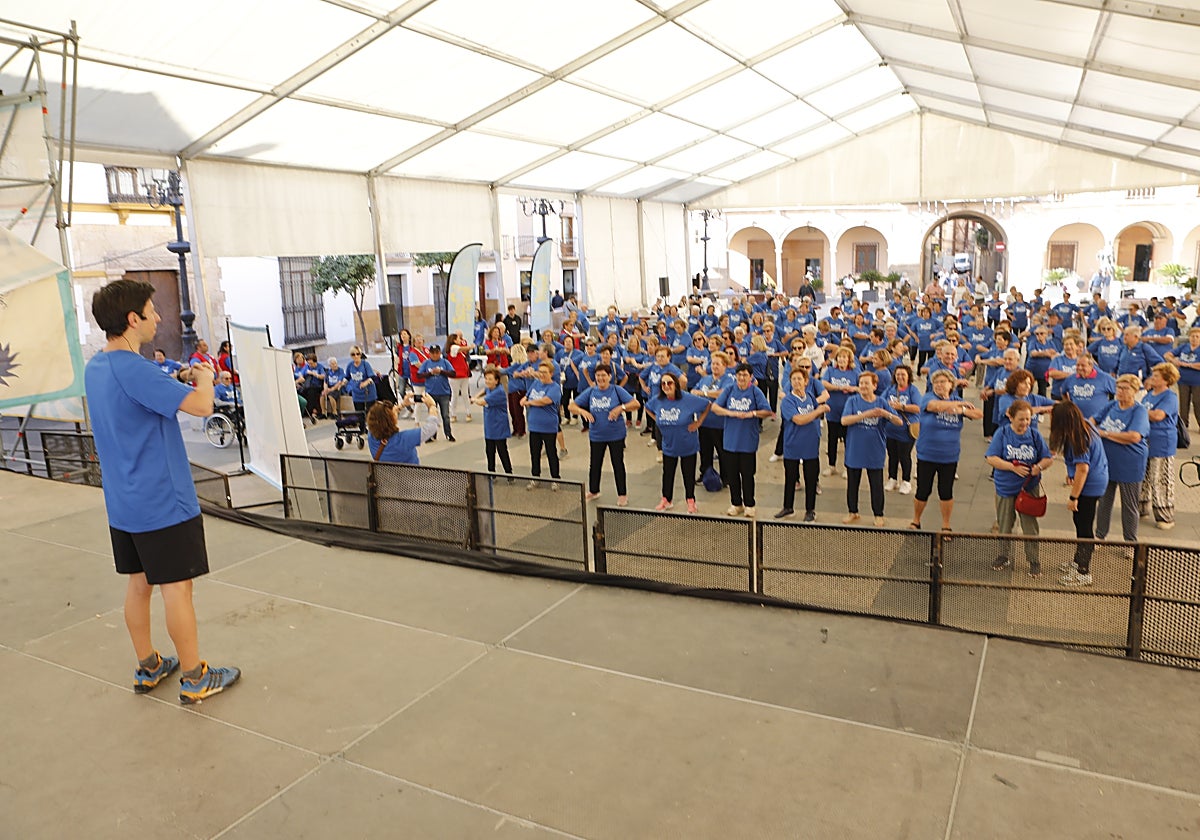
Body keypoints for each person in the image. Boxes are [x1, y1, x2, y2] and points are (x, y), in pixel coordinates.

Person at [84, 278, 240, 704]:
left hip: (124, 502)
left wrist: (181, 374)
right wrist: (205, 377)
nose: (159, 317)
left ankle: (149, 665)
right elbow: (202, 406)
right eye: (152, 311)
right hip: (163, 502)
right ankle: (194, 678)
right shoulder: (135, 370)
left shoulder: (98, 366)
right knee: (177, 588)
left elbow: (145, 388)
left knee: (139, 584)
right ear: (134, 319)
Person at [985, 400, 1054, 576]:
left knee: (1030, 526)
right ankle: (1003, 555)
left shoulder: (1034, 435)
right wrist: (1011, 467)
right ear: (1011, 418)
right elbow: (991, 457)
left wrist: (1039, 466)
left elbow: (1047, 458)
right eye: (1021, 419)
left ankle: (1033, 560)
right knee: (1005, 523)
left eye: (1028, 419)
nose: (1025, 423)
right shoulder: (1002, 433)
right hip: (1005, 487)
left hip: (1028, 488)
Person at [909, 369, 983, 531]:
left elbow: (978, 413)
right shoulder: (929, 397)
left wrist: (961, 410)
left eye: (943, 382)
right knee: (923, 490)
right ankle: (916, 520)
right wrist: (956, 405)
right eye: (936, 382)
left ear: (951, 385)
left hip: (949, 456)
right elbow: (934, 406)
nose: (939, 385)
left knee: (946, 491)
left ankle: (946, 524)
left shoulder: (958, 401)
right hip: (927, 454)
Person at [1049, 400, 1109, 587]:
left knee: (1084, 528)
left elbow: (1083, 469)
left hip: (1090, 487)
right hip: (1094, 481)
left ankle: (1084, 571)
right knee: (1080, 523)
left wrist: (1073, 497)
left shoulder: (1079, 438)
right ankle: (1078, 561)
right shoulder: (1084, 425)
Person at [1093, 374, 1150, 550]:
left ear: (1134, 391)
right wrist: (1095, 429)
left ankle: (1130, 543)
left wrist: (1106, 434)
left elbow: (1134, 436)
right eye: (1119, 388)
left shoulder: (1138, 411)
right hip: (1107, 463)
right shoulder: (1111, 405)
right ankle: (1099, 537)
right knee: (1104, 502)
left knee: (1129, 506)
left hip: (1130, 464)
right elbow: (1092, 421)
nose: (1121, 392)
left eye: (1125, 388)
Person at [841, 369, 904, 526]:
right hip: (855, 449)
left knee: (876, 484)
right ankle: (852, 511)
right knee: (852, 483)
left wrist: (885, 413)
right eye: (861, 383)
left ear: (874, 386)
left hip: (875, 450)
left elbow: (899, 422)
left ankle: (878, 514)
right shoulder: (852, 401)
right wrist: (865, 415)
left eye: (866, 383)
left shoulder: (881, 402)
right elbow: (844, 421)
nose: (863, 386)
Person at [570, 363, 638, 505]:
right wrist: (583, 411)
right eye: (598, 375)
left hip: (615, 434)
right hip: (596, 434)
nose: (600, 378)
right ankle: (594, 490)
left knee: (617, 463)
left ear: (609, 377)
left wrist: (621, 408)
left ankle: (622, 494)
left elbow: (635, 404)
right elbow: (572, 406)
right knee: (595, 463)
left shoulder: (616, 390)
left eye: (603, 375)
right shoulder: (591, 391)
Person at [713, 363, 774, 517]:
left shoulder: (755, 391)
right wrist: (730, 413)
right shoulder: (729, 390)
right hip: (730, 441)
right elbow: (715, 407)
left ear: (750, 377)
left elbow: (767, 411)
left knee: (747, 474)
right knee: (732, 475)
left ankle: (749, 504)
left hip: (747, 441)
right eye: (739, 375)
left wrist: (752, 414)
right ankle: (736, 503)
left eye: (745, 375)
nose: (741, 378)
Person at [647, 372, 710, 513]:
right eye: (663, 384)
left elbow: (707, 405)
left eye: (669, 383)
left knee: (688, 473)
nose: (666, 386)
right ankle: (666, 499)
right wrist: (656, 419)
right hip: (669, 444)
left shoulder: (687, 399)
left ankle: (690, 500)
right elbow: (647, 407)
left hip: (687, 443)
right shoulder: (658, 400)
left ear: (675, 384)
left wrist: (698, 422)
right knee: (667, 473)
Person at [776, 365, 830, 521]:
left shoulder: (810, 397)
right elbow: (799, 420)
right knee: (790, 477)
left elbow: (813, 418)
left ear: (806, 381)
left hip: (811, 446)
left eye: (799, 379)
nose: (796, 382)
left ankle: (810, 510)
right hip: (793, 444)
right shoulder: (787, 401)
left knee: (811, 478)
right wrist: (818, 411)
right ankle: (788, 507)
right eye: (793, 379)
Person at [1140, 362, 1180, 530]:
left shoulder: (1170, 397)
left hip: (1162, 443)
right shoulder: (1149, 395)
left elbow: (1157, 415)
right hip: (1145, 441)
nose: (1152, 378)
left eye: (1156, 376)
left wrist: (1138, 411)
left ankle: (1165, 516)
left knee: (1161, 479)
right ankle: (1142, 507)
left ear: (1166, 379)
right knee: (1144, 477)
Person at [693, 350, 733, 486]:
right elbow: (693, 391)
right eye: (713, 364)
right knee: (705, 451)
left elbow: (721, 394)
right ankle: (705, 473)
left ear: (725, 366)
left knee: (722, 451)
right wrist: (705, 393)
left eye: (718, 364)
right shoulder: (705, 379)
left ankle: (726, 477)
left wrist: (703, 393)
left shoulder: (728, 380)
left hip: (720, 423)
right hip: (704, 421)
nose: (715, 366)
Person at [522, 361, 563, 488]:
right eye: (540, 372)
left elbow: (546, 401)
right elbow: (526, 397)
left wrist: (529, 403)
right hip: (534, 425)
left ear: (551, 373)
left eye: (544, 372)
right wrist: (525, 400)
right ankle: (535, 477)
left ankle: (555, 478)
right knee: (534, 453)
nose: (542, 375)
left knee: (551, 452)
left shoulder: (555, 387)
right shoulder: (535, 384)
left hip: (548, 426)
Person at [365, 394, 438, 464]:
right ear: (391, 419)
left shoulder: (371, 436)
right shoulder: (404, 439)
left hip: (386, 476)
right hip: (411, 475)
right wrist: (432, 406)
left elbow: (383, 417)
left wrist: (403, 405)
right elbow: (431, 428)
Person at [821, 346, 859, 478]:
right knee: (832, 439)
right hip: (833, 411)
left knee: (849, 440)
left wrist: (852, 388)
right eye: (840, 357)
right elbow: (824, 383)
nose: (842, 360)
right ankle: (831, 465)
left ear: (849, 359)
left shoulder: (854, 373)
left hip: (848, 412)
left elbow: (861, 388)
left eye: (844, 357)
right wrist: (839, 387)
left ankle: (848, 466)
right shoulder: (831, 371)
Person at [882, 363, 920, 494]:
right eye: (898, 374)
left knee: (904, 455)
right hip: (891, 429)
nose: (900, 377)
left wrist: (902, 407)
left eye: (903, 374)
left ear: (909, 376)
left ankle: (906, 481)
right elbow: (882, 402)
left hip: (907, 430)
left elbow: (917, 407)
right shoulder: (890, 389)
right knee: (892, 455)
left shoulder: (913, 390)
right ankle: (892, 478)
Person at [472, 366, 515, 476]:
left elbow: (482, 402)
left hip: (499, 425)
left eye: (490, 379)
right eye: (486, 378)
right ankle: (491, 473)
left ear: (497, 381)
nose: (487, 381)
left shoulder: (499, 392)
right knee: (489, 451)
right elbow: (484, 390)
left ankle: (509, 473)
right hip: (490, 426)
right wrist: (476, 395)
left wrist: (474, 399)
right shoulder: (490, 389)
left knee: (502, 450)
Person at [418, 343, 456, 442]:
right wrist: (430, 373)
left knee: (445, 415)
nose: (435, 355)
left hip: (444, 393)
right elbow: (419, 375)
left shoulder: (445, 362)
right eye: (433, 353)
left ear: (439, 353)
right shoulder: (426, 363)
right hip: (431, 393)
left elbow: (453, 373)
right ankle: (432, 435)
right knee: (432, 415)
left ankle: (448, 434)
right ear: (430, 354)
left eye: (437, 353)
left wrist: (441, 372)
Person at [1165, 326, 1200, 430]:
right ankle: (1183, 426)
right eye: (1192, 336)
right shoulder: (1184, 347)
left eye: (1197, 336)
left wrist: (1186, 365)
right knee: (1183, 404)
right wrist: (1174, 361)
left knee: (1197, 403)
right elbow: (1167, 354)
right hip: (1183, 379)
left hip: (1197, 381)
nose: (1194, 338)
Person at [446, 332, 473, 423]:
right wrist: (471, 346)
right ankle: (453, 414)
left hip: (464, 375)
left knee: (465, 394)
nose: (460, 340)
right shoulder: (453, 347)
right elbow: (464, 348)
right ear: (454, 340)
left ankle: (468, 412)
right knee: (455, 395)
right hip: (455, 376)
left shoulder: (460, 350)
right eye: (458, 339)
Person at [344, 346, 377, 417]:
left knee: (371, 416)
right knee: (360, 416)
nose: (356, 356)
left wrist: (366, 382)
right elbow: (347, 377)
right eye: (353, 354)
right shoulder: (350, 365)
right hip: (356, 395)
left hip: (368, 394)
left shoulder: (365, 364)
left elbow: (372, 377)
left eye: (357, 354)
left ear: (360, 354)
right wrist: (343, 383)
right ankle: (362, 428)